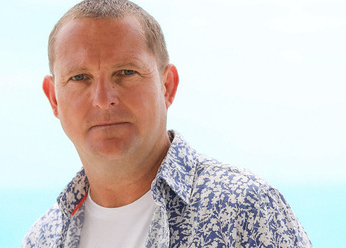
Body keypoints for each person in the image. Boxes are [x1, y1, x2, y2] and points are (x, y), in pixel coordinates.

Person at [22, 0, 312, 247]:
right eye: (80, 77)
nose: (103, 99)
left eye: (125, 72)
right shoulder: (43, 238)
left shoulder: (246, 208)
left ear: (167, 86)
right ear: (54, 99)